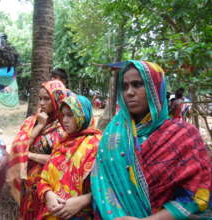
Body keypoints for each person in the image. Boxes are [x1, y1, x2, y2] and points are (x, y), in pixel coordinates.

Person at [91, 60, 212, 220]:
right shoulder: (113, 133)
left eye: (137, 84)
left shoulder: (183, 135)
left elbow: (197, 194)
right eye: (125, 86)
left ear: (155, 88)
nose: (129, 92)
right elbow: (102, 181)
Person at [7, 80, 67, 219]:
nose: (41, 103)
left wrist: (29, 155)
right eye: (40, 98)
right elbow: (20, 147)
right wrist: (39, 126)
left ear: (57, 99)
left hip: (49, 188)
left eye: (46, 99)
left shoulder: (65, 127)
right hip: (28, 186)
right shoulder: (32, 121)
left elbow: (60, 160)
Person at [37, 94, 101, 219]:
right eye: (63, 115)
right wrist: (48, 194)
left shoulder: (96, 144)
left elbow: (106, 187)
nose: (64, 120)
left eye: (70, 115)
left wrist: (85, 200)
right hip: (52, 212)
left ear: (83, 115)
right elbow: (44, 178)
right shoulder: (61, 143)